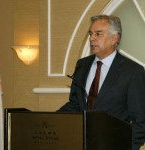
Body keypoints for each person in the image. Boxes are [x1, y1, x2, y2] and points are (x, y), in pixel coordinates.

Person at [58, 15, 145, 150]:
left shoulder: (133, 71)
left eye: (98, 34)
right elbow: (75, 104)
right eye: (91, 34)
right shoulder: (82, 65)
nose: (92, 38)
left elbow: (141, 120)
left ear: (114, 38)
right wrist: (48, 120)